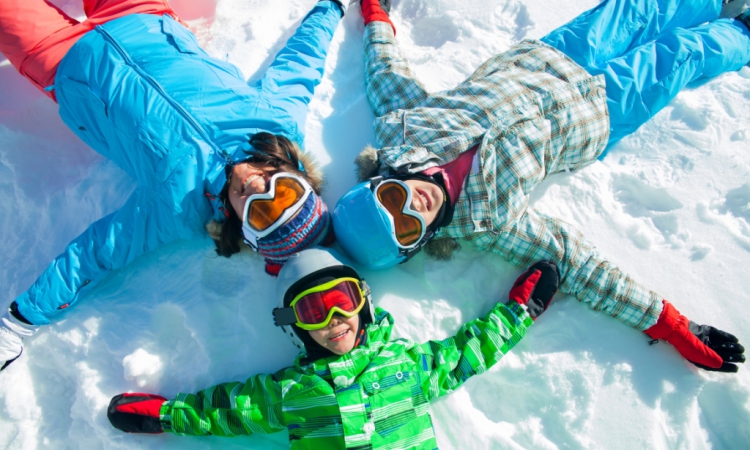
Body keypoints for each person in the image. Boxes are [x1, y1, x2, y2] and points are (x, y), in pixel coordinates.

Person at [332, 0, 748, 372]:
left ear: (381, 179)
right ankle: (742, 31)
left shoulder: (404, 128)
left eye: (392, 198)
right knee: (681, 56)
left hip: (549, 58)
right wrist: (670, 323)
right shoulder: (490, 221)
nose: (413, 206)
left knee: (641, 9)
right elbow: (577, 264)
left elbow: (384, 72)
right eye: (406, 226)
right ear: (416, 244)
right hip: (597, 111)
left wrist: (375, 15)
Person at [0, 0, 349, 371]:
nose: (257, 188)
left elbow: (96, 252)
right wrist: (333, 7)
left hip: (66, 64)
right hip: (138, 16)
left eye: (262, 212)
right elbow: (303, 61)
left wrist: (19, 322)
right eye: (283, 191)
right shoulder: (276, 120)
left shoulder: (176, 208)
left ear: (242, 227)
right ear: (297, 177)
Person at [105, 247, 559, 447]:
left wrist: (518, 312)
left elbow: (466, 353)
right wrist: (166, 414)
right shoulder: (290, 391)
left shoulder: (407, 365)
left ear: (362, 302)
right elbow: (228, 411)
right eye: (312, 313)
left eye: (340, 303)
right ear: (296, 329)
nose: (332, 321)